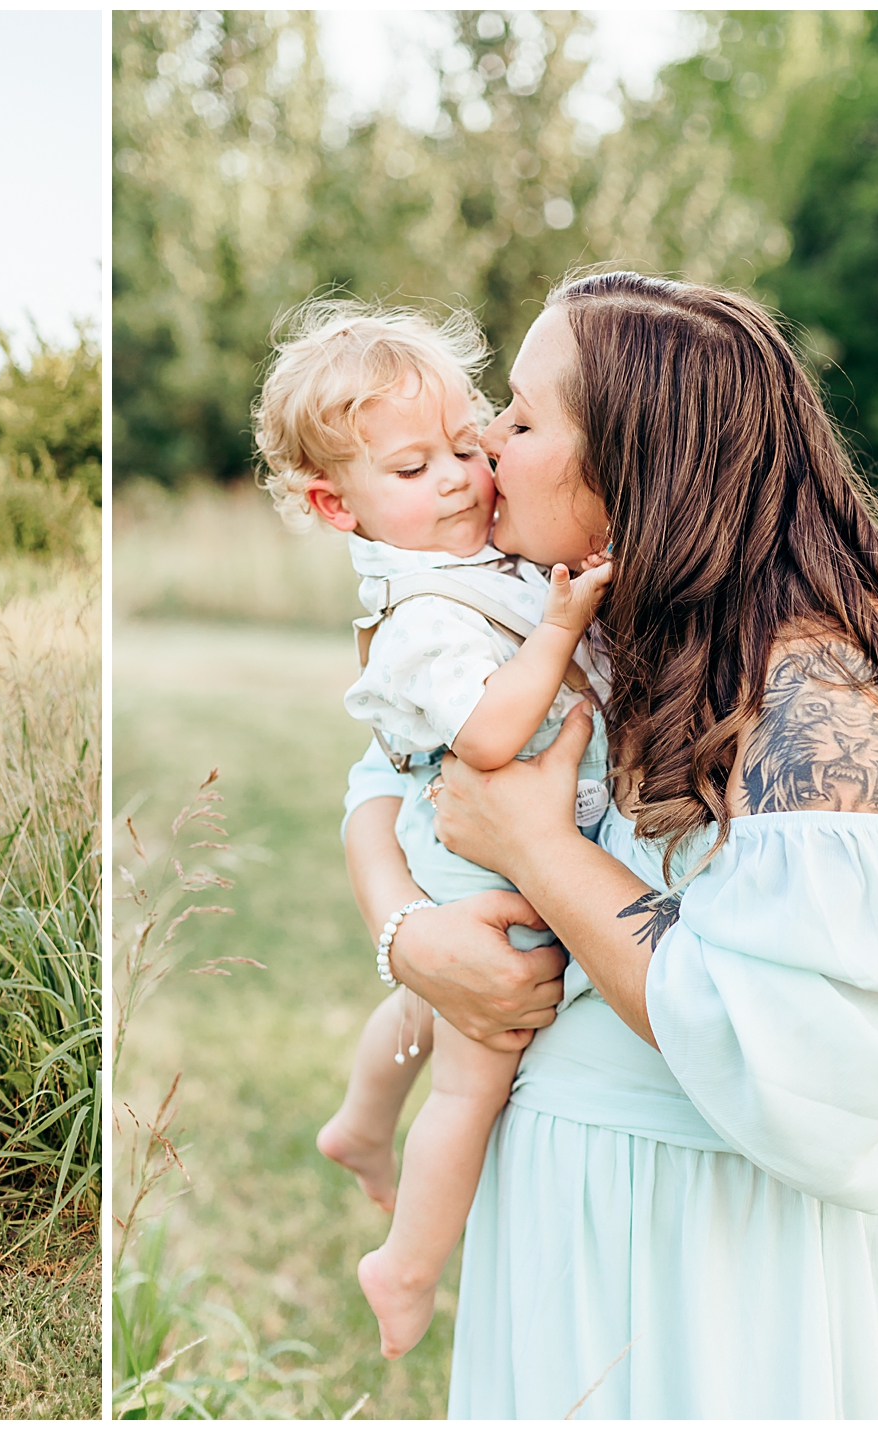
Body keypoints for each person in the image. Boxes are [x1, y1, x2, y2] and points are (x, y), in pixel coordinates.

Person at [344, 271, 878, 1416]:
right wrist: (403, 931)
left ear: (634, 459)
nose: (482, 437)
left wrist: (535, 846)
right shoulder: (575, 623)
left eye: (520, 417)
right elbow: (381, 771)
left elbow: (829, 1075)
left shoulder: (814, 708)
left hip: (743, 1271)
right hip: (590, 1227)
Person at [250, 299, 615, 1360]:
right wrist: (558, 625)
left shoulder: (462, 565)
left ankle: (359, 1121)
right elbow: (494, 731)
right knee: (475, 1064)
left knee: (423, 998)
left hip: (480, 839)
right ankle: (403, 1263)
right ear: (334, 502)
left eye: (465, 445)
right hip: (475, 852)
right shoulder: (416, 619)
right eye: (412, 470)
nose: (457, 477)